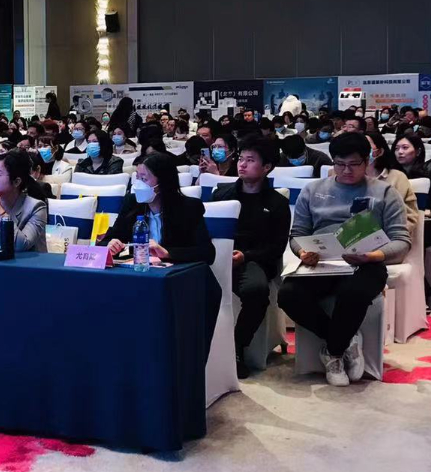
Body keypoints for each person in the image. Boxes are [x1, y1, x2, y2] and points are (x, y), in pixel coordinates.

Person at [279, 132, 411, 387]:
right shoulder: (313, 190)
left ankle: (332, 353)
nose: (346, 171)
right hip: (323, 262)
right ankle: (345, 342)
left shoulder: (385, 193)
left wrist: (373, 255)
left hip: (366, 263)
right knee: (288, 295)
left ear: (367, 161)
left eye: (354, 164)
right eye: (340, 164)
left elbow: (401, 240)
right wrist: (303, 253)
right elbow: (297, 235)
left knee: (354, 292)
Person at [211, 136, 292, 378]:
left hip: (253, 261)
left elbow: (276, 247)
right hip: (220, 255)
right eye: (241, 159)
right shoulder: (222, 194)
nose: (242, 164)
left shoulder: (277, 203)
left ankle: (236, 348)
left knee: (256, 291)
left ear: (266, 167)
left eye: (250, 160)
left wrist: (245, 256)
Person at [101, 152, 214, 264]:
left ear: (163, 182)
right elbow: (106, 241)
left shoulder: (189, 207)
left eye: (144, 179)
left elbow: (207, 253)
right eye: (137, 178)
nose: (138, 185)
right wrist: (111, 244)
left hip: (176, 271)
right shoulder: (131, 203)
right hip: (139, 269)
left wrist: (167, 253)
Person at [365, 132, 419, 222]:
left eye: (365, 145)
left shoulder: (397, 177)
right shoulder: (351, 177)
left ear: (379, 152)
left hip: (391, 228)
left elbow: (408, 216)